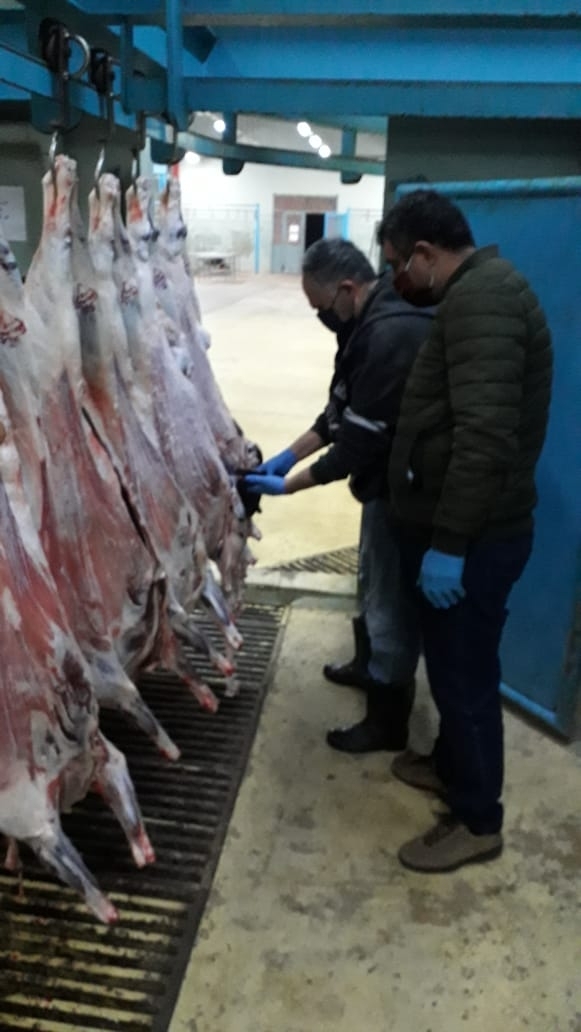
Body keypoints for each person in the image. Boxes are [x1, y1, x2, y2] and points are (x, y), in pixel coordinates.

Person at [377, 189, 553, 872]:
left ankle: (478, 820)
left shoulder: (483, 300)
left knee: (465, 677)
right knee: (453, 667)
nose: (399, 278)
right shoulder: (477, 293)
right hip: (466, 530)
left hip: (476, 539)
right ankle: (451, 766)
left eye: (398, 264)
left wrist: (448, 545)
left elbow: (483, 437)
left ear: (423, 253)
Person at [244, 238, 432, 753]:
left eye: (320, 306)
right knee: (371, 580)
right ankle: (367, 665)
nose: (320, 317)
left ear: (347, 289)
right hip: (381, 485)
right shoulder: (361, 325)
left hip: (406, 490)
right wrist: (288, 454)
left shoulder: (389, 333)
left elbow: (357, 442)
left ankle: (387, 722)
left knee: (390, 601)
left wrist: (289, 484)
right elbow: (338, 412)